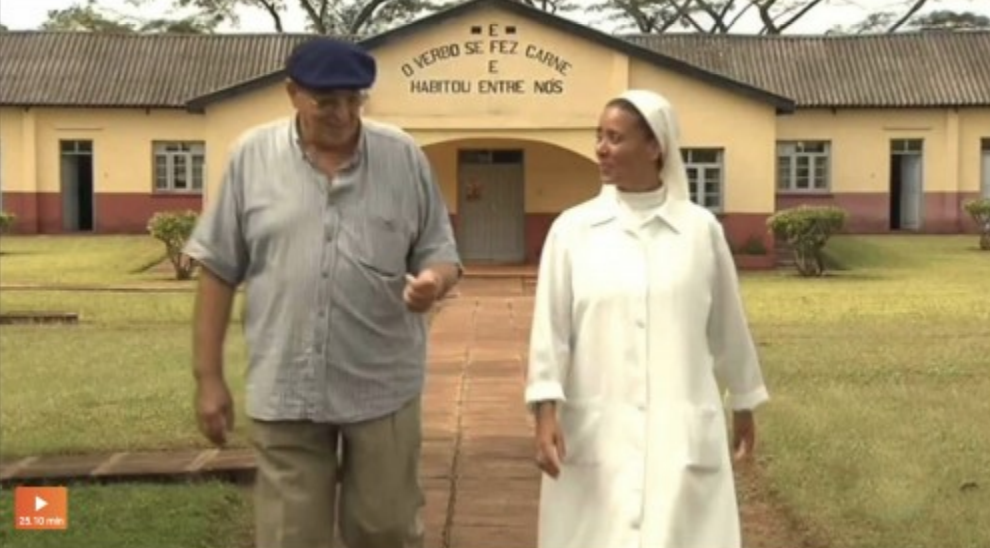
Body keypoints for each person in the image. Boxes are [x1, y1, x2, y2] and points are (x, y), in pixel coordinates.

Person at [183, 37, 462, 548]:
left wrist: (433, 282)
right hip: (286, 380)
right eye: (326, 101)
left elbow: (441, 253)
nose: (343, 114)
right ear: (293, 93)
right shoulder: (251, 157)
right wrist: (208, 378)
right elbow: (218, 270)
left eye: (354, 100)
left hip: (382, 384)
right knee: (291, 535)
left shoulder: (403, 157)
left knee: (388, 530)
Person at [524, 89, 770, 548]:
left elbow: (727, 326)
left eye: (614, 138)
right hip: (596, 428)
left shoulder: (699, 231)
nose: (600, 148)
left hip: (679, 427)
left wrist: (744, 401)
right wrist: (544, 409)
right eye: (598, 136)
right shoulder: (572, 231)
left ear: (655, 146)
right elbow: (550, 332)